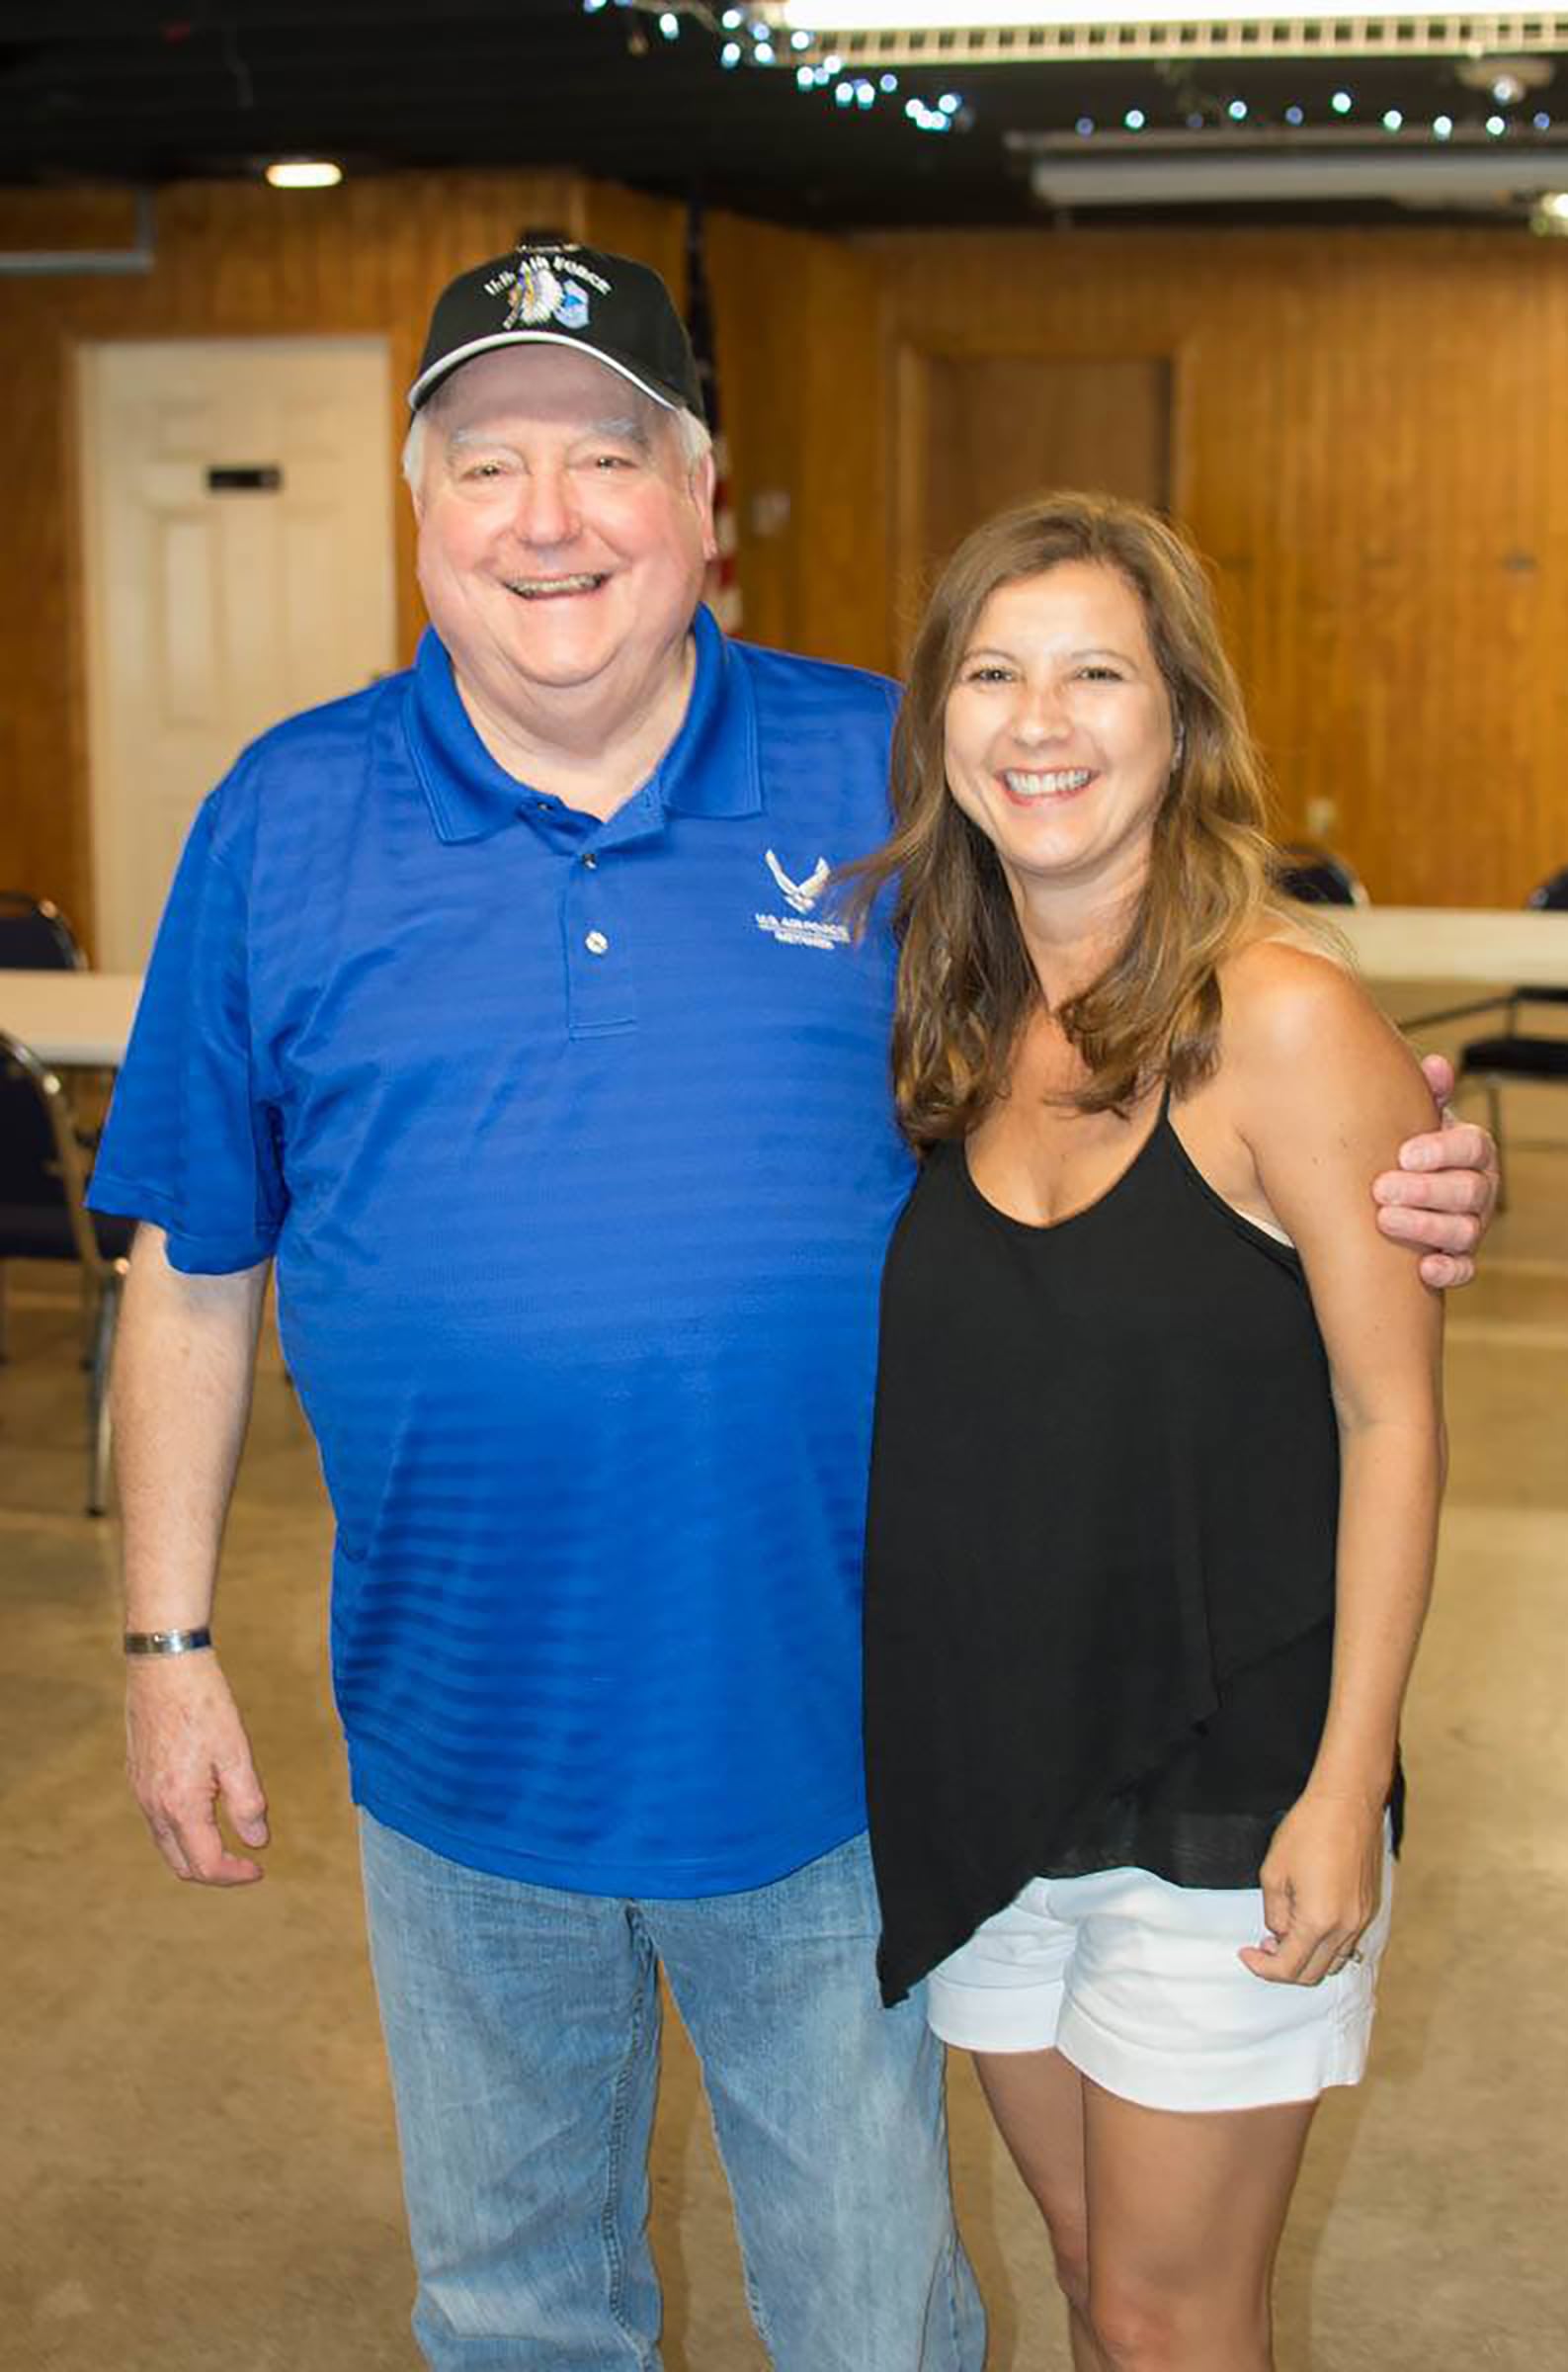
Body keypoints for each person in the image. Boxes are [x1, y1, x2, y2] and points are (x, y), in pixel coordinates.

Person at [89, 245, 1490, 2372]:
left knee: (867, 2314)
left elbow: (1156, 1010)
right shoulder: (281, 821)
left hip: (842, 1739)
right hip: (460, 1748)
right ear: (418, 513)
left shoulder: (891, 786)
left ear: (701, 501)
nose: (545, 518)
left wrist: (1392, 1159)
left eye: (605, 459)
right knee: (509, 2303)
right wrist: (168, 1646)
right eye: (486, 465)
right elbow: (191, 1270)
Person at [858, 491, 1447, 2372]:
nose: (1040, 720)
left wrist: (1347, 1787)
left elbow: (1395, 1415)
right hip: (998, 1764)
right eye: (995, 672)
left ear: (1179, 722)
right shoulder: (944, 1017)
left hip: (1227, 1778)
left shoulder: (1280, 1019)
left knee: (1168, 2313)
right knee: (1091, 2267)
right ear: (941, 725)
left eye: (1096, 671)